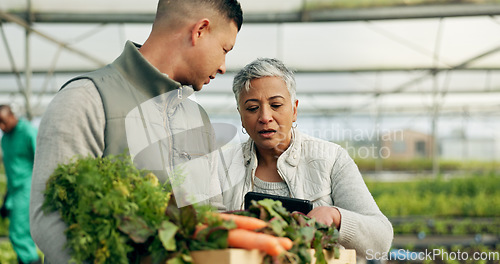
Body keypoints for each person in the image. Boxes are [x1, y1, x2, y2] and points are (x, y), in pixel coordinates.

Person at [30, 0, 243, 263]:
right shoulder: (85, 99)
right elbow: (50, 218)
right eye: (224, 49)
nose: (223, 66)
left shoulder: (198, 118)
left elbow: (212, 211)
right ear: (199, 30)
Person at [220, 58, 393, 258]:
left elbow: (381, 241)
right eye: (252, 108)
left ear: (294, 110)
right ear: (241, 115)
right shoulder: (222, 165)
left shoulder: (331, 159)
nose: (265, 117)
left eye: (276, 105)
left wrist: (336, 216)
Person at [0, 105, 40, 264]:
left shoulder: (28, 132)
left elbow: (42, 159)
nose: (1, 127)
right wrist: (6, 198)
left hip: (27, 189)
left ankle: (32, 261)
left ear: (11, 116)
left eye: (3, 122)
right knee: (19, 233)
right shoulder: (5, 139)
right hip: (14, 192)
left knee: (19, 234)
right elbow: (11, 172)